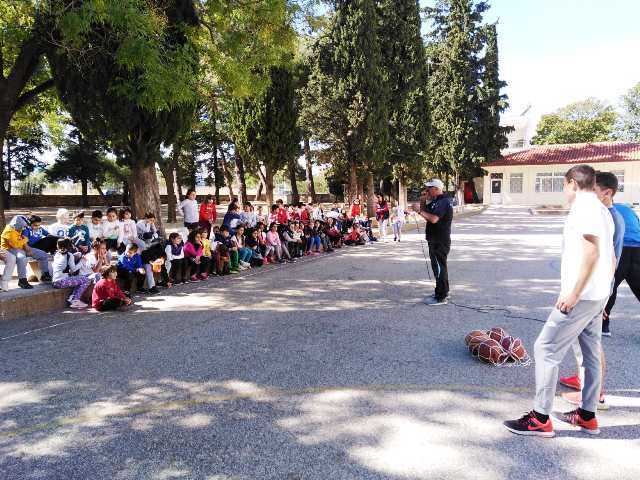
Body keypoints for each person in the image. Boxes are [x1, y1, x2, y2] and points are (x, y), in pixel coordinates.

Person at [504, 164, 615, 438]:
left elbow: (592, 253)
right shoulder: (603, 209)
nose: (563, 191)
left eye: (564, 186)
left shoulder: (585, 208)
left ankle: (540, 418)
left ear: (572, 184)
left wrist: (574, 294)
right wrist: (603, 298)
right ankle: (587, 416)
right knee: (590, 354)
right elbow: (611, 258)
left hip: (583, 296)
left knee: (545, 348)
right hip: (596, 295)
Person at [560, 171, 625, 410]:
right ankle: (583, 381)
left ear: (607, 193)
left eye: (594, 190)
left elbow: (611, 259)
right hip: (591, 291)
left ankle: (596, 393)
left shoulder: (609, 217)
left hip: (594, 292)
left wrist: (604, 298)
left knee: (591, 344)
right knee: (583, 342)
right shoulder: (601, 213)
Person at [601, 197, 640, 336]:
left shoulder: (606, 211)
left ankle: (603, 326)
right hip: (637, 250)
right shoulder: (628, 209)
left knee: (610, 287)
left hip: (621, 250)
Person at [419, 179, 453, 306]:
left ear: (436, 189)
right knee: (439, 267)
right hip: (434, 240)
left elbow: (433, 219)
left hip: (440, 241)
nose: (427, 190)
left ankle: (441, 297)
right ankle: (442, 291)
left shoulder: (443, 202)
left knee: (439, 268)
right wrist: (422, 201)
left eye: (429, 188)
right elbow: (426, 213)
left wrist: (420, 211)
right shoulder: (436, 201)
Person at [1, 215, 52, 288]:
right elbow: (15, 245)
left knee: (43, 254)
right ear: (17, 224)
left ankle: (45, 275)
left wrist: (27, 248)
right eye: (22, 226)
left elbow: (22, 241)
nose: (24, 228)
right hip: (10, 249)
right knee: (22, 258)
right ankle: (22, 280)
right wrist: (25, 240)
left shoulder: (19, 228)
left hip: (22, 248)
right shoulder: (8, 231)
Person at [51, 238, 91, 309]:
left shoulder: (56, 254)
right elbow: (73, 269)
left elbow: (64, 263)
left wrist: (77, 256)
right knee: (86, 280)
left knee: (81, 279)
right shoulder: (69, 255)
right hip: (61, 282)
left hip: (55, 281)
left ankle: (73, 298)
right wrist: (81, 261)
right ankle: (75, 300)